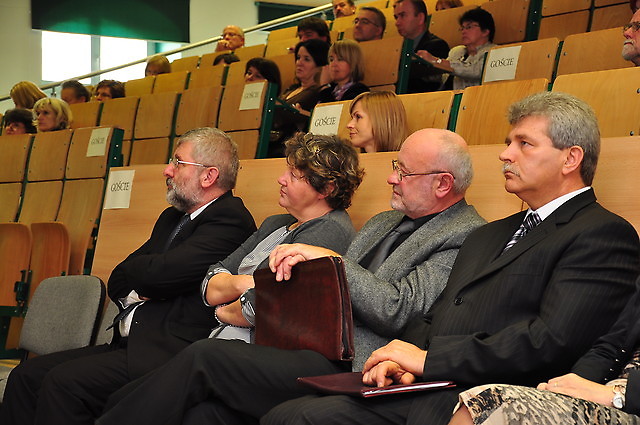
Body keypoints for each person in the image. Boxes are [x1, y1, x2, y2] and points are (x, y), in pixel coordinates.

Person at [260, 92, 640, 425]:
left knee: (300, 417)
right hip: (428, 384)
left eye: (524, 144)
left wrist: (430, 360)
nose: (505, 154)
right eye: (508, 142)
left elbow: (551, 342)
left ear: (571, 158)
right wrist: (400, 358)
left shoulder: (601, 233)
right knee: (285, 412)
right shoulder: (489, 233)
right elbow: (436, 315)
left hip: (488, 396)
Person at [97, 128, 487, 425]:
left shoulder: (464, 235)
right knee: (204, 413)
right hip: (312, 346)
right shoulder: (384, 221)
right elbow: (323, 293)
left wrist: (333, 261)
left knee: (205, 356)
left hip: (357, 365)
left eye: (403, 171)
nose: (392, 178)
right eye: (394, 168)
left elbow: (398, 309)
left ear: (442, 183)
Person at [0, 127, 257, 425]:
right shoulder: (172, 217)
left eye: (177, 162)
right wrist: (147, 279)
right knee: (25, 376)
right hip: (128, 344)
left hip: (164, 351)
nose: (167, 170)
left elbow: (159, 275)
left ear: (208, 176)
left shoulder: (230, 219)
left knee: (63, 384)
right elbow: (120, 277)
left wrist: (150, 276)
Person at [205, 133, 363, 343]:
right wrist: (244, 284)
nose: (281, 179)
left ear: (326, 189)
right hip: (228, 337)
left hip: (264, 345)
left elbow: (261, 304)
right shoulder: (276, 222)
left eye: (293, 175)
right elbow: (211, 280)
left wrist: (220, 312)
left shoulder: (330, 230)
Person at [448, 277, 640, 425]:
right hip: (609, 391)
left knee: (491, 402)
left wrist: (619, 395)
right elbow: (610, 348)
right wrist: (567, 388)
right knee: (480, 403)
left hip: (627, 401)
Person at [269, 39, 330, 157]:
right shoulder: (291, 89)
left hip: (289, 148)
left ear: (320, 65)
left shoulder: (319, 93)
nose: (299, 63)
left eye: (306, 59)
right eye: (298, 58)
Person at [418, 7, 496, 90]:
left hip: (472, 96)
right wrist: (423, 68)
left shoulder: (494, 51)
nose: (463, 31)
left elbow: (475, 71)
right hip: (445, 95)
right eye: (462, 28)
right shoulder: (456, 51)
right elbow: (442, 76)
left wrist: (435, 61)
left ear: (485, 31)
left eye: (469, 27)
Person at [393, 0, 450, 93]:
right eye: (396, 17)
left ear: (420, 18)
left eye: (402, 15)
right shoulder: (396, 49)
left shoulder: (437, 46)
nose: (397, 23)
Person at [318, 39, 370, 104]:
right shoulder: (331, 90)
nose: (333, 64)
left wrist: (324, 86)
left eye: (340, 59)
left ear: (353, 62)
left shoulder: (360, 91)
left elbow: (334, 110)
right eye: (331, 60)